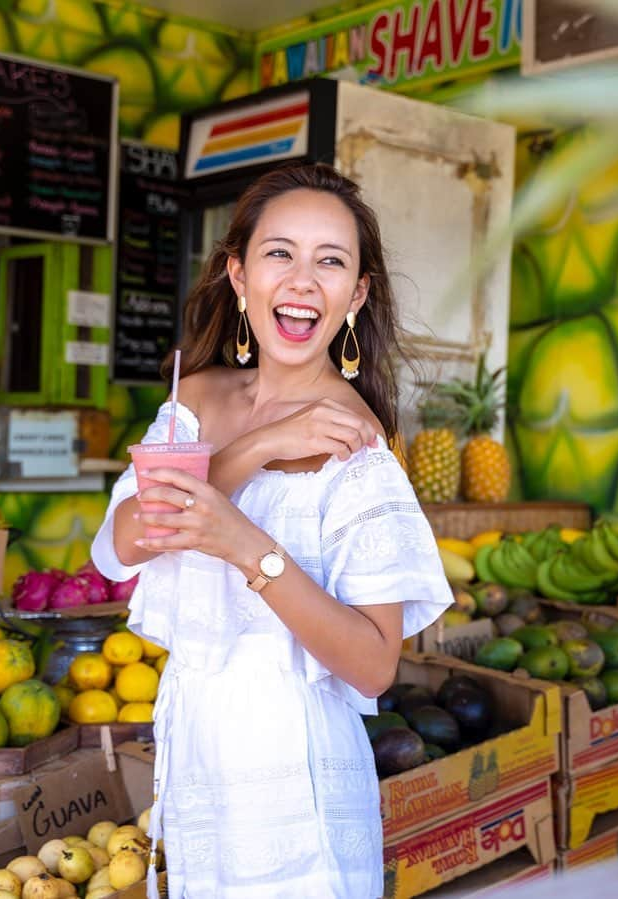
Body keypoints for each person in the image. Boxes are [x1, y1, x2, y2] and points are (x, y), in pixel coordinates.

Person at [92, 162, 453, 898]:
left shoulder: (357, 449)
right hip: (196, 747)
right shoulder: (192, 398)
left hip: (298, 778)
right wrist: (255, 447)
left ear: (355, 295)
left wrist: (244, 544)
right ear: (238, 273)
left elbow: (375, 664)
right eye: (279, 252)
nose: (300, 279)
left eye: (330, 261)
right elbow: (125, 541)